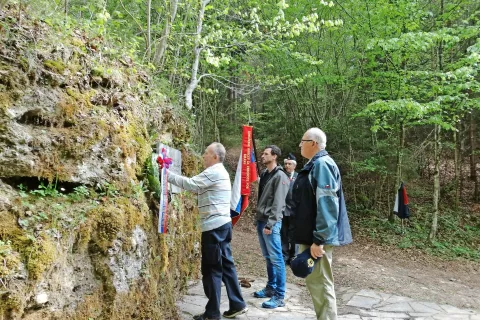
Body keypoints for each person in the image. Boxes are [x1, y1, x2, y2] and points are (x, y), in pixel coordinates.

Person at [166, 142, 247, 320]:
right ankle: (237, 304)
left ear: (215, 157)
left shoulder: (214, 171)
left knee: (211, 269)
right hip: (223, 225)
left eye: (206, 153)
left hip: (214, 228)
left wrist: (166, 174)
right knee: (227, 265)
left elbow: (191, 184)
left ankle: (212, 313)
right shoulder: (220, 171)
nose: (203, 155)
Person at [292, 128, 352, 320]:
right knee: (316, 282)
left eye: (303, 141)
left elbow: (327, 203)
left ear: (313, 143)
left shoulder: (322, 165)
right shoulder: (315, 164)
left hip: (317, 239)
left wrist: (319, 240)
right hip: (312, 236)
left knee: (321, 283)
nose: (300, 145)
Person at [253, 145, 290, 309]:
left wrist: (270, 223)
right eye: (263, 153)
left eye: (266, 154)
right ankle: (270, 288)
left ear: (274, 156)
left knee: (276, 259)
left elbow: (279, 203)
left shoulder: (280, 176)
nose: (262, 155)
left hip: (271, 222)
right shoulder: (265, 174)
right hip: (262, 220)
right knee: (268, 257)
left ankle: (279, 296)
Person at [281, 153, 298, 265]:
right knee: (284, 234)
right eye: (286, 164)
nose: (287, 166)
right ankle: (284, 255)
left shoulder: (299, 177)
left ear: (294, 166)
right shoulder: (281, 175)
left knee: (294, 236)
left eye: (289, 164)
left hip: (295, 211)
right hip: (283, 211)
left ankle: (294, 256)